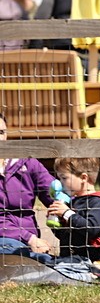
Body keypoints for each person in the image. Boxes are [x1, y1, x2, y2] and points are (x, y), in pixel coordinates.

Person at [0, 112, 56, 264]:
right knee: (9, 248)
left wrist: (70, 211)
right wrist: (30, 239)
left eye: (1, 132)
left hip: (29, 240)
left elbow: (52, 193)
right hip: (10, 240)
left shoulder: (27, 163)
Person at [46, 157, 100, 262]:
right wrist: (57, 222)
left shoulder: (99, 203)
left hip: (90, 261)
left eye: (64, 178)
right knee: (39, 259)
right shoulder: (73, 202)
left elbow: (91, 229)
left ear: (83, 178)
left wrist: (67, 213)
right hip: (69, 258)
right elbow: (66, 237)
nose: (60, 183)